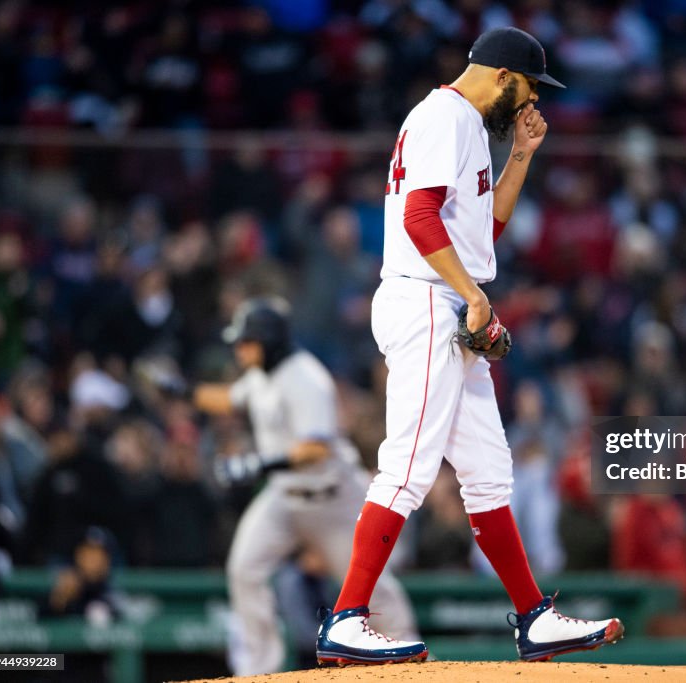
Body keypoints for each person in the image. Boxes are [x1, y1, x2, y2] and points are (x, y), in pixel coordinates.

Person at [315, 27, 624, 666]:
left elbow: (483, 234)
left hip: (446, 297)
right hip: (427, 299)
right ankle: (346, 617)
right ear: (504, 75)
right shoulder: (445, 116)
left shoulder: (470, 129)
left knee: (487, 472)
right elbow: (419, 218)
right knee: (408, 466)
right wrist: (475, 299)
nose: (532, 101)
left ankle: (534, 618)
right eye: (531, 88)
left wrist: (522, 156)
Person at [193, 297, 417, 675]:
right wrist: (185, 391)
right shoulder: (260, 375)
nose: (240, 349)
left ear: (269, 341)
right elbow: (229, 400)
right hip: (283, 499)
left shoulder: (306, 378)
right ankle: (258, 668)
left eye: (247, 341)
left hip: (330, 501)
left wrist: (258, 463)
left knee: (373, 587)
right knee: (244, 569)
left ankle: (411, 664)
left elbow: (316, 448)